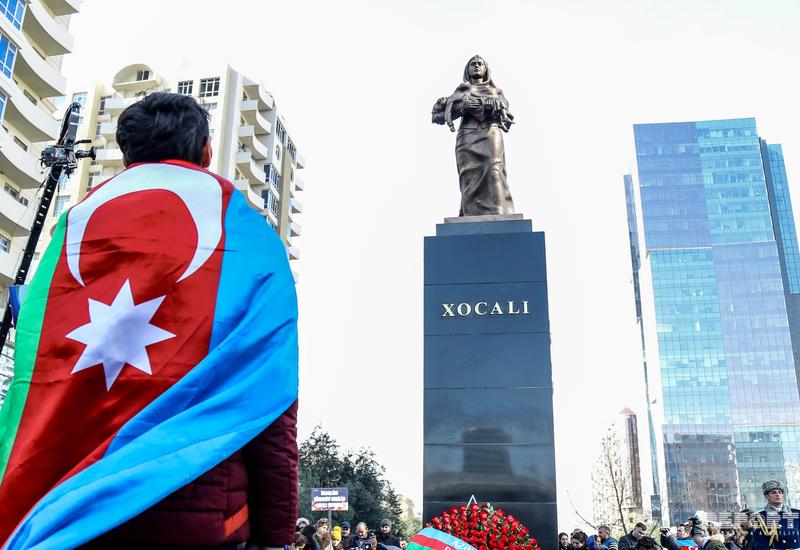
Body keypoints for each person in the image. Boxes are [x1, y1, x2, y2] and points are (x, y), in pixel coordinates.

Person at [0, 92, 299, 550]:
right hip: (205, 522)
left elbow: (31, 381)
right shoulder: (252, 240)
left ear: (127, 155)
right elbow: (272, 407)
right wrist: (276, 537)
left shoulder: (72, 231)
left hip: (72, 518)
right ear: (205, 153)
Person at [434, 55, 515, 216]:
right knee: (469, 177)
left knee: (494, 170)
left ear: (486, 70)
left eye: (480, 64)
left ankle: (498, 213)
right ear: (467, 70)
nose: (476, 66)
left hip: (490, 134)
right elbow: (438, 116)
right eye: (473, 64)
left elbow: (506, 117)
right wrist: (463, 107)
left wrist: (494, 106)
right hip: (467, 138)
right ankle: (470, 214)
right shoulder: (461, 91)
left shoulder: (496, 92)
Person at [751, 479, 799, 550]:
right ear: (767, 497)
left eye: (780, 492)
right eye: (773, 492)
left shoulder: (796, 513)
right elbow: (760, 543)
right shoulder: (760, 516)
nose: (777, 494)